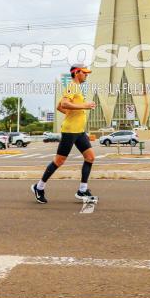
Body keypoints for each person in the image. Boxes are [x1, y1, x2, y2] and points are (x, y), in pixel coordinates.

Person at [31, 64, 97, 204]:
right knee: (59, 161)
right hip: (70, 131)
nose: (86, 75)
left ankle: (82, 190)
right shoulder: (72, 86)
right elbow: (65, 103)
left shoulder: (77, 87)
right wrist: (84, 106)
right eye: (84, 73)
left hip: (79, 131)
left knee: (90, 157)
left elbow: (59, 106)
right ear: (77, 72)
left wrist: (71, 113)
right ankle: (39, 187)